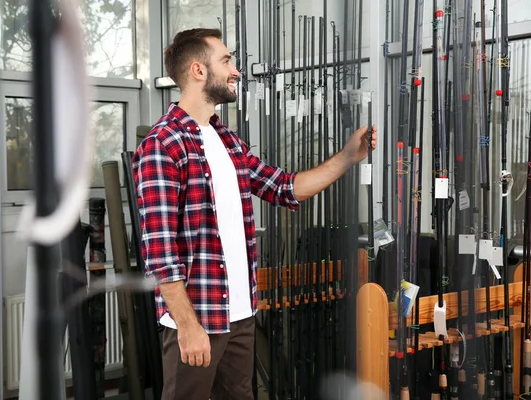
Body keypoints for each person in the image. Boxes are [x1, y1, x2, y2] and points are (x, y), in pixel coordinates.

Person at [132, 28, 377, 400]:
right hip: (199, 318)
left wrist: (347, 157)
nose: (235, 72)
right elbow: (160, 254)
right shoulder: (161, 145)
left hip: (240, 314)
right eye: (226, 61)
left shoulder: (228, 141)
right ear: (199, 70)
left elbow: (283, 187)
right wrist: (187, 326)